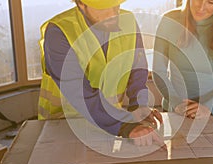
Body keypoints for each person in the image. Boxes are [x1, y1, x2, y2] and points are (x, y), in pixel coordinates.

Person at [38, 0, 165, 147]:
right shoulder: (59, 31)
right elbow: (78, 91)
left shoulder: (128, 21)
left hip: (109, 122)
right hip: (63, 124)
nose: (113, 13)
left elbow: (137, 69)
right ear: (81, 4)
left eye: (115, 4)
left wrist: (139, 105)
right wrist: (124, 125)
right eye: (102, 7)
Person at [153, 0, 213, 119]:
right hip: (174, 110)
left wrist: (208, 107)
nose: (201, 7)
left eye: (210, 2)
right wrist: (177, 104)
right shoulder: (169, 20)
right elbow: (158, 71)